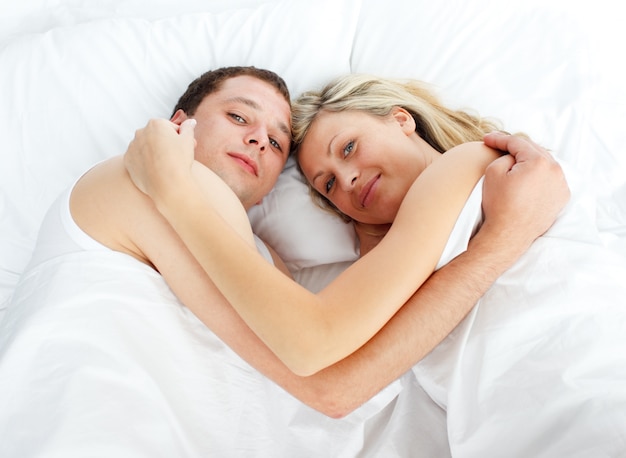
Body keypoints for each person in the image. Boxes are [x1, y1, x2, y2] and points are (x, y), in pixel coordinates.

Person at [126, 73, 626, 455]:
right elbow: (341, 354)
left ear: (400, 118)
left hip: (586, 386)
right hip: (510, 431)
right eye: (327, 185)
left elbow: (326, 355)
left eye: (348, 148)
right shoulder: (385, 267)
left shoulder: (470, 163)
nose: (346, 180)